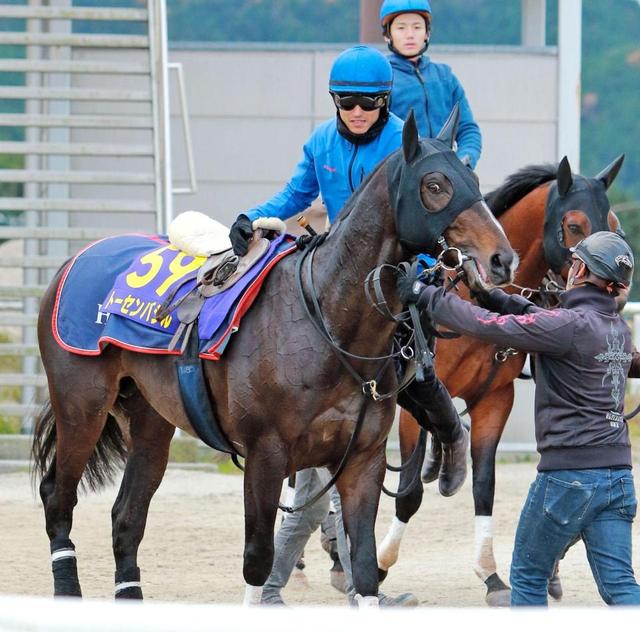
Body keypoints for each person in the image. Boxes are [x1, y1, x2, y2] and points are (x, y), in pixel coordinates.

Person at [228, 44, 468, 607]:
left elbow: (432, 217)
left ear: (385, 103)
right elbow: (295, 197)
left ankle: (450, 433)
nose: (356, 112)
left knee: (411, 355)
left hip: (399, 270)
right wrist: (249, 215)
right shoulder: (320, 143)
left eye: (367, 103)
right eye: (345, 103)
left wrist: (426, 269)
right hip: (335, 266)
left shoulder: (402, 148)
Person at [398, 230, 640, 606]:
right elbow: (542, 318)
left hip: (567, 478)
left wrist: (424, 294)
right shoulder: (619, 331)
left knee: (527, 580)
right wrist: (491, 295)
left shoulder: (570, 326)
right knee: (621, 587)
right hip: (619, 479)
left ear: (580, 269)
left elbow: (485, 326)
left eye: (575, 262)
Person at [380, 0, 482, 169]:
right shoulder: (383, 78)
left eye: (417, 27)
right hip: (404, 174)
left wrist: (464, 159)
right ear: (387, 34)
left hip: (446, 172)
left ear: (427, 33)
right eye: (401, 28)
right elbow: (379, 138)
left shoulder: (446, 77)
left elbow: (468, 129)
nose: (410, 34)